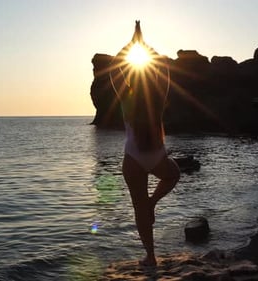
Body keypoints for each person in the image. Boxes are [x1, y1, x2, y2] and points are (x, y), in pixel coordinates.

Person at [109, 21, 180, 266]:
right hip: (157, 157)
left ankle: (150, 257)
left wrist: (132, 42)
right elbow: (165, 68)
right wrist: (145, 45)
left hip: (133, 160)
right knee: (173, 174)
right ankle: (153, 202)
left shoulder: (126, 97)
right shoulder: (159, 98)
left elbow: (113, 71)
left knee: (140, 210)